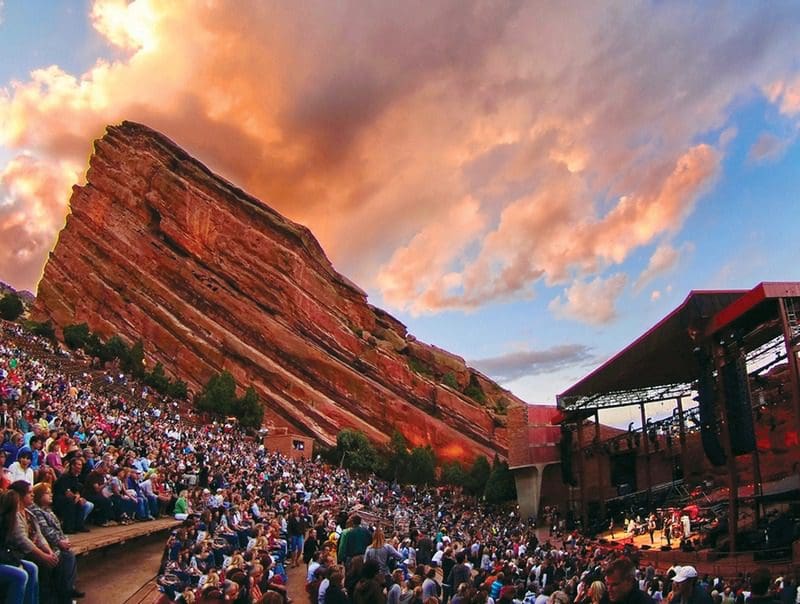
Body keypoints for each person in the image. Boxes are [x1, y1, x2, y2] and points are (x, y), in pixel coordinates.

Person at [29, 482, 85, 599]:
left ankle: (69, 588)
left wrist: (64, 539)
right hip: (47, 545)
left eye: (51, 493)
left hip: (55, 543)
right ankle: (65, 591)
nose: (51, 495)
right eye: (47, 493)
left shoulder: (48, 510)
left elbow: (57, 529)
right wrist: (59, 542)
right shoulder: (36, 511)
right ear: (39, 495)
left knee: (70, 554)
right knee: (66, 556)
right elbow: (45, 530)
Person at [0, 490, 39, 604]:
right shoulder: (3, 522)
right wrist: (16, 564)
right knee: (20, 575)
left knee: (32, 567)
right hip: (2, 560)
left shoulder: (9, 521)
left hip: (5, 558)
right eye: (17, 504)